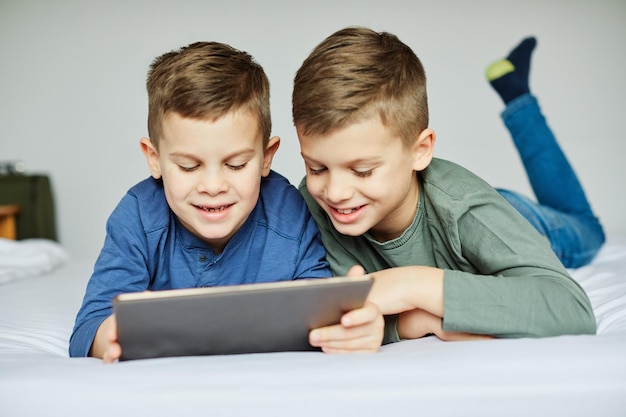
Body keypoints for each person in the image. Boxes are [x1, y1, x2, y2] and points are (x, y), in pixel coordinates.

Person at [292, 27, 602, 353]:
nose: (336, 191)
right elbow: (340, 319)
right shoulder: (316, 205)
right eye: (317, 168)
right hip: (448, 204)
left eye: (362, 171)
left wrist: (412, 285)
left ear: (420, 150)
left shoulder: (468, 210)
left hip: (512, 218)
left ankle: (518, 97)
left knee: (586, 226)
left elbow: (572, 309)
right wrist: (412, 323)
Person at [69, 41, 332, 362]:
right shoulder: (137, 216)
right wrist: (110, 336)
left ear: (266, 158)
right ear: (155, 159)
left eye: (235, 165)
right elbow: (89, 326)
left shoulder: (288, 213)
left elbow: (322, 309)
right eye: (188, 166)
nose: (212, 186)